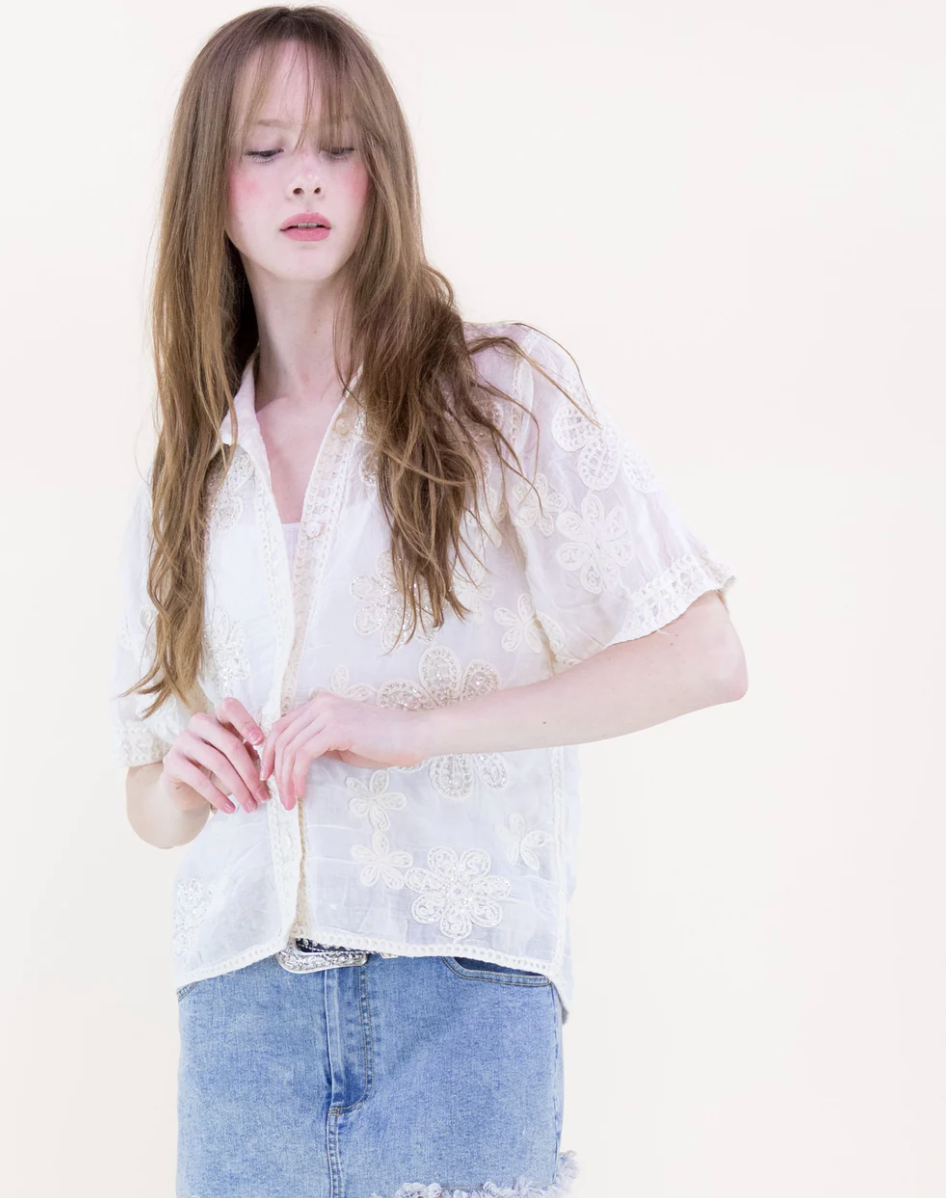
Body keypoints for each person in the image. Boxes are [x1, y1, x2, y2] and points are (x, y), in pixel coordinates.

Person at [108, 7, 746, 1197]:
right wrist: (180, 776)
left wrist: (417, 728)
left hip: (456, 992)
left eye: (338, 144)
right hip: (237, 1021)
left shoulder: (495, 392)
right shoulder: (189, 466)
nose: (305, 176)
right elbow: (147, 794)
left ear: (382, 173)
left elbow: (704, 652)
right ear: (211, 186)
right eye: (263, 148)